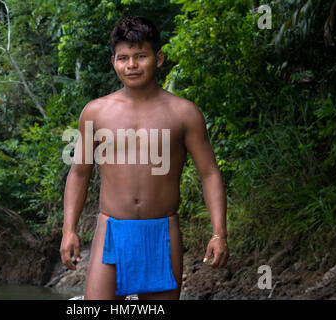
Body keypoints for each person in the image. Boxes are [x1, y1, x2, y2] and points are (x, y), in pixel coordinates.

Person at [60, 16, 229, 300]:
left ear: (158, 58)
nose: (132, 65)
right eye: (123, 58)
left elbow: (209, 173)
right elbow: (79, 173)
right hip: (111, 228)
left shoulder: (183, 113)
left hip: (162, 230)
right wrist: (69, 230)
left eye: (141, 56)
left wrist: (219, 233)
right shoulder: (96, 112)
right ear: (113, 61)